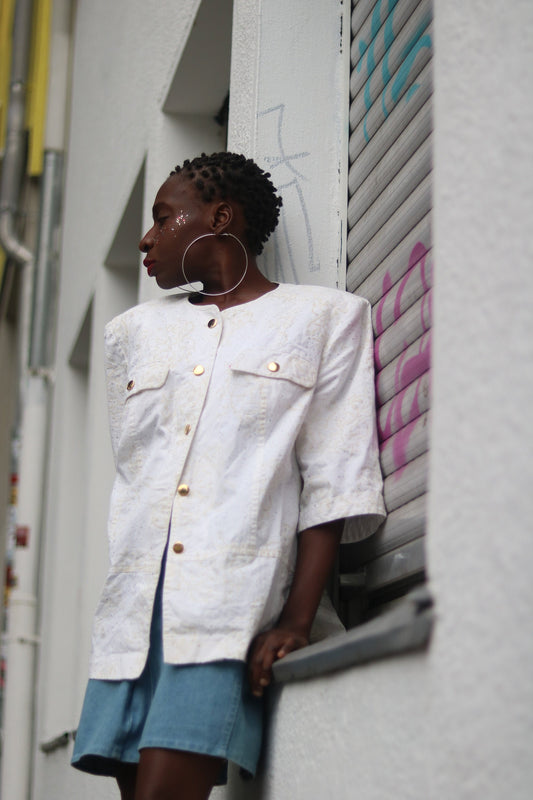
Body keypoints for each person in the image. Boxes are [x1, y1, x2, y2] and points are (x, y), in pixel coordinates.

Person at [71, 152, 385, 800]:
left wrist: (295, 621)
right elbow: (136, 479)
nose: (146, 239)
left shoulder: (323, 319)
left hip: (225, 611)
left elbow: (334, 479)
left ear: (218, 217)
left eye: (162, 218)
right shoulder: (130, 334)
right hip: (134, 618)